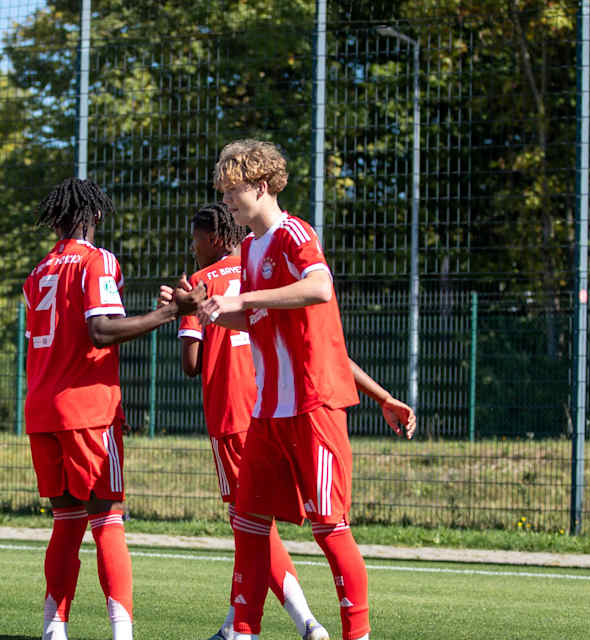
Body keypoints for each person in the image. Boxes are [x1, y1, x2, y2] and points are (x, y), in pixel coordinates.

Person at [196, 140, 415, 640]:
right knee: (248, 521)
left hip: (315, 407)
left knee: (329, 529)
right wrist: (202, 306)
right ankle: (244, 632)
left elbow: (319, 288)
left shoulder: (294, 233)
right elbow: (253, 318)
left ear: (260, 185)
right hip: (269, 413)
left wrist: (244, 296)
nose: (226, 199)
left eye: (233, 189)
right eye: (224, 191)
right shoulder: (250, 249)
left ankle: (355, 636)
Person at [23, 177, 205, 640]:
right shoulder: (97, 259)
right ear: (96, 216)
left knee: (66, 522)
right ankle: (121, 633)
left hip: (43, 408)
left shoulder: (39, 271)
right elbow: (100, 331)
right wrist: (169, 314)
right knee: (107, 519)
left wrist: (152, 312)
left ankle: (53, 629)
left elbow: (70, 333)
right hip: (88, 409)